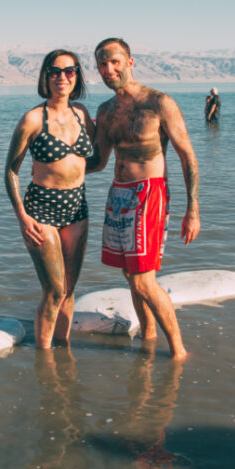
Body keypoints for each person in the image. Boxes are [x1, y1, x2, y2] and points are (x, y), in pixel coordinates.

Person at [88, 38, 199, 361]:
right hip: (118, 195)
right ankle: (148, 336)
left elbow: (186, 156)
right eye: (102, 64)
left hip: (149, 193)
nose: (108, 69)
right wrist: (56, 170)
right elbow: (99, 161)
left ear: (130, 62)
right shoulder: (105, 111)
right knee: (129, 276)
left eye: (114, 62)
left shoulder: (158, 103)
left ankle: (178, 352)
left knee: (143, 280)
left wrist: (192, 209)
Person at [5, 50, 95, 349]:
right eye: (55, 71)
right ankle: (43, 359)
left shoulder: (82, 114)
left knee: (69, 289)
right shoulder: (32, 119)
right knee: (54, 289)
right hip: (40, 210)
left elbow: (94, 158)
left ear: (77, 76)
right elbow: (10, 172)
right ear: (45, 76)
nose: (62, 77)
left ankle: (63, 349)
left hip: (77, 208)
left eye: (69, 71)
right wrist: (22, 216)